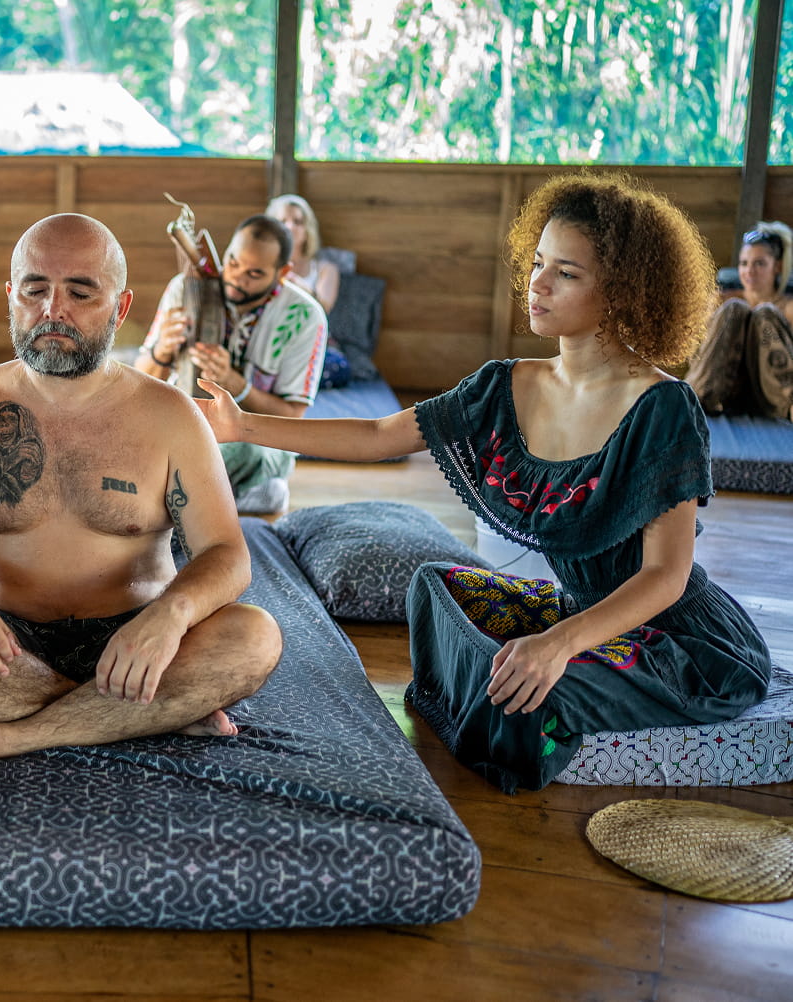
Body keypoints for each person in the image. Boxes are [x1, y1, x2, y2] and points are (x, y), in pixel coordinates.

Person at [197, 172, 772, 793]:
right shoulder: (507, 385)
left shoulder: (664, 409)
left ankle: (518, 692)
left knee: (523, 695)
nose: (538, 283)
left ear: (623, 291)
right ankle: (509, 680)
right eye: (537, 262)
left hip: (678, 639)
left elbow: (666, 576)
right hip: (575, 611)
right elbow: (378, 436)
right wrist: (240, 424)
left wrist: (555, 646)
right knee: (432, 588)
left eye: (566, 273)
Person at [0, 213, 282, 759]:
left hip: (136, 640)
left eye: (81, 292)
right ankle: (141, 716)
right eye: (35, 290)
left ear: (121, 306)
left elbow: (228, 555)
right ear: (11, 296)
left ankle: (9, 736)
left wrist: (170, 616)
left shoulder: (171, 415)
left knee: (255, 637)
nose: (53, 310)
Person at [134, 213, 328, 515]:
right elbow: (140, 379)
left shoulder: (305, 316)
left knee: (235, 451)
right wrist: (162, 351)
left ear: (282, 272)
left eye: (254, 274)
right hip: (178, 426)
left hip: (254, 440)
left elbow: (293, 417)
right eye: (233, 263)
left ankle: (163, 507)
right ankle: (230, 496)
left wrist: (236, 384)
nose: (236, 277)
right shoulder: (186, 288)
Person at [685, 220, 793, 421]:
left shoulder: (788, 306)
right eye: (744, 263)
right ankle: (693, 400)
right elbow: (697, 353)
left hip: (773, 399)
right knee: (735, 309)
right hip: (721, 391)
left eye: (759, 263)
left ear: (777, 267)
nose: (749, 271)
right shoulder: (724, 299)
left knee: (764, 314)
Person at [266, 193, 340, 314]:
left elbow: (323, 309)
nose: (290, 227)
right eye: (283, 221)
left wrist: (294, 282)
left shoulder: (326, 269)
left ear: (307, 230)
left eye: (298, 221)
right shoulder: (264, 265)